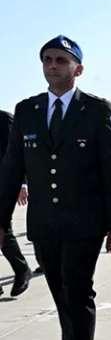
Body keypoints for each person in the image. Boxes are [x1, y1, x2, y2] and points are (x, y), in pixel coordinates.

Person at [0, 35, 111, 340]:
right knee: (61, 299)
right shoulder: (27, 111)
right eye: (46, 60)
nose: (52, 65)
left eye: (60, 60)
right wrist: (2, 220)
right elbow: (11, 170)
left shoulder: (97, 109)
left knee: (77, 295)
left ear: (78, 69)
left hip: (85, 224)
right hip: (45, 225)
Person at [0, 110, 33, 298]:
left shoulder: (5, 120)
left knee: (3, 228)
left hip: (4, 184)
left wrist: (22, 183)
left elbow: (18, 154)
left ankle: (22, 270)